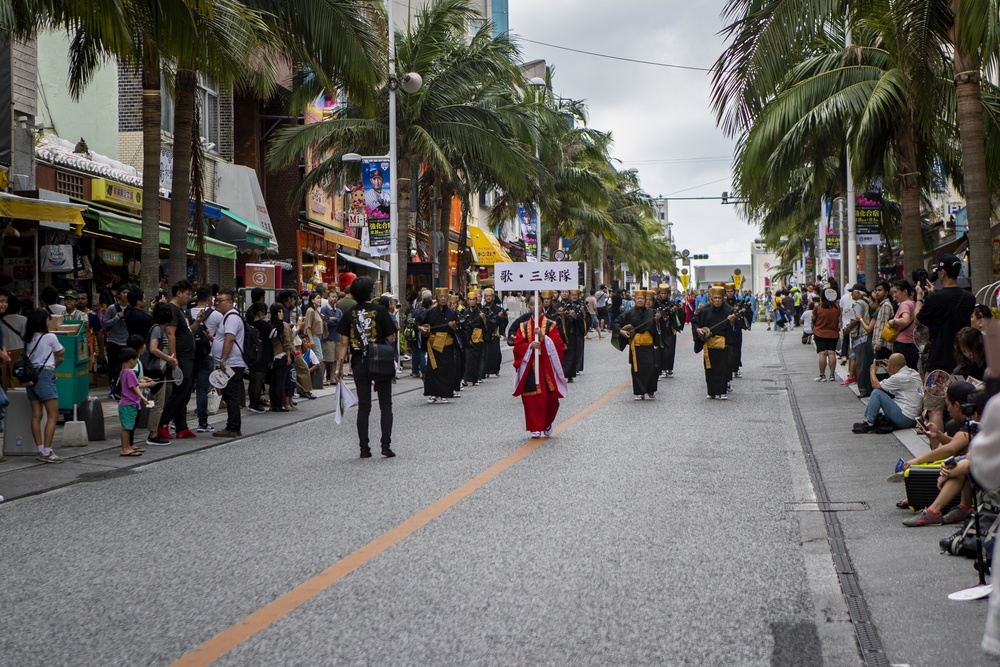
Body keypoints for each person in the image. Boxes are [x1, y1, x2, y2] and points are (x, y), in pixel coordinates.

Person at [916, 253, 977, 435]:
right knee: (962, 410)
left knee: (935, 410)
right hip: (961, 364)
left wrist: (920, 298)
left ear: (942, 272)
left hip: (938, 364)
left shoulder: (934, 299)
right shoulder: (969, 298)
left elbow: (918, 320)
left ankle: (936, 454)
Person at [335, 277, 396, 458]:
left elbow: (344, 343)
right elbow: (391, 337)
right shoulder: (381, 311)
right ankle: (385, 446)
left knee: (364, 406)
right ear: (371, 292)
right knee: (385, 404)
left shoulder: (349, 313)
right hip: (380, 360)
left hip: (359, 361)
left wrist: (339, 368)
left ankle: (364, 448)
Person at [512, 295, 566, 438]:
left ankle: (547, 422)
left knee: (550, 399)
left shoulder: (550, 324)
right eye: (531, 304)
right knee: (531, 398)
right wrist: (529, 346)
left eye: (538, 304)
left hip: (546, 365)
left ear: (543, 305)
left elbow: (559, 345)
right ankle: (535, 427)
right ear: (528, 306)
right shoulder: (523, 326)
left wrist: (543, 337)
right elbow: (517, 347)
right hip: (530, 365)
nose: (535, 307)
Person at [157, 280, 198, 442]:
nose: (189, 298)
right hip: (181, 357)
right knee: (180, 391)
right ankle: (163, 423)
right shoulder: (173, 310)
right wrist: (173, 357)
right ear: (179, 293)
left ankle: (182, 426)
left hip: (188, 355)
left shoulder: (181, 311)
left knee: (184, 391)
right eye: (187, 294)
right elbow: (170, 333)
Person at [22, 308, 65, 463]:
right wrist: (55, 363)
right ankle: (47, 451)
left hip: (31, 377)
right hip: (45, 375)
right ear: (43, 321)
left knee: (36, 415)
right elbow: (61, 351)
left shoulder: (27, 338)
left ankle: (40, 449)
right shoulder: (50, 336)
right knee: (53, 415)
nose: (49, 321)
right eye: (48, 319)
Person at [851, 353, 922, 433]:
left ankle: (869, 423)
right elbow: (896, 382)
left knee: (877, 393)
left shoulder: (900, 377)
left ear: (893, 366)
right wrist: (891, 370)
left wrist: (872, 371)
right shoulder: (913, 373)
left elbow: (876, 385)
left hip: (905, 418)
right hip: (913, 419)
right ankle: (871, 421)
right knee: (878, 409)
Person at [613, 289, 662, 400]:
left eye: (642, 299)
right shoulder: (629, 313)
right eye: (638, 298)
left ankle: (650, 390)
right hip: (636, 345)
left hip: (649, 344)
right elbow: (616, 323)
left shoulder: (652, 313)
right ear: (635, 300)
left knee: (653, 367)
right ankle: (639, 392)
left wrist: (658, 321)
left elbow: (658, 327)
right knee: (637, 369)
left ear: (646, 300)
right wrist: (621, 331)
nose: (640, 300)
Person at [212, 287, 246, 438]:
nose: (217, 304)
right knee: (229, 394)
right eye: (216, 300)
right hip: (230, 362)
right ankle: (232, 425)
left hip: (231, 363)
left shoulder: (231, 317)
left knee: (230, 395)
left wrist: (223, 359)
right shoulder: (228, 317)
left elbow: (230, 339)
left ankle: (233, 427)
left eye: (221, 301)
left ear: (230, 302)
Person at [417, 287, 459, 403]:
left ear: (448, 299)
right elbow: (417, 323)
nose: (443, 299)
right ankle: (433, 394)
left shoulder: (452, 313)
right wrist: (421, 328)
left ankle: (445, 394)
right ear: (437, 298)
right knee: (432, 370)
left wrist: (454, 327)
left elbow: (459, 329)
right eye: (441, 297)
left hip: (447, 345)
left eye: (445, 297)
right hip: (434, 345)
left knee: (446, 370)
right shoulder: (429, 312)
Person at [189, 286, 222, 432]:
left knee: (184, 390)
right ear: (210, 298)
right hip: (206, 355)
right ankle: (202, 423)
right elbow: (223, 334)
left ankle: (176, 421)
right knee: (202, 390)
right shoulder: (216, 315)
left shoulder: (187, 312)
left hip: (189, 356)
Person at [692, 286, 733, 399]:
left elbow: (734, 328)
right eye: (715, 298)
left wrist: (733, 322)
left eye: (719, 298)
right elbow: (694, 321)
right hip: (709, 343)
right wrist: (698, 330)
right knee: (709, 368)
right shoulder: (704, 310)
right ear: (711, 298)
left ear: (723, 298)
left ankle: (722, 391)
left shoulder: (729, 310)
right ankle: (711, 391)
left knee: (723, 368)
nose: (717, 300)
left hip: (722, 344)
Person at [144, 303, 175, 446]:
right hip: (155, 370)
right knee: (158, 404)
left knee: (158, 402)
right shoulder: (157, 329)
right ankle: (153, 434)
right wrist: (168, 358)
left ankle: (154, 433)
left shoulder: (158, 329)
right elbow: (153, 349)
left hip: (158, 369)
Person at [117, 347, 151, 457]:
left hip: (127, 403)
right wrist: (143, 398)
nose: (136, 363)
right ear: (131, 360)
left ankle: (128, 447)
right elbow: (135, 387)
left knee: (128, 427)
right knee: (127, 428)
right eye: (136, 360)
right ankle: (125, 448)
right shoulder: (130, 372)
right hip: (129, 403)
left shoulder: (123, 371)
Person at [103, 285, 131, 398]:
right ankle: (113, 387)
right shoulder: (112, 308)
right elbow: (105, 323)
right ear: (119, 294)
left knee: (124, 366)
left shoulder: (131, 308)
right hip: (113, 341)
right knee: (113, 366)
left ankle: (123, 387)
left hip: (126, 341)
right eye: (123, 292)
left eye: (127, 292)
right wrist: (116, 318)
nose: (126, 295)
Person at [247, 302, 273, 413]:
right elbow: (274, 334)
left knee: (252, 379)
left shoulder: (249, 323)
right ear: (260, 312)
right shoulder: (263, 324)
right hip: (263, 353)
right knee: (258, 379)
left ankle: (252, 402)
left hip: (252, 353)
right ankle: (255, 403)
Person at [812, 288, 842, 382]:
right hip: (833, 333)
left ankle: (822, 375)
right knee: (831, 353)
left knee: (822, 353)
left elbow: (813, 319)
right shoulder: (837, 308)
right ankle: (832, 375)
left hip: (820, 332)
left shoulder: (818, 307)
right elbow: (839, 321)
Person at [269, 303, 294, 412]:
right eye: (281, 311)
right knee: (280, 381)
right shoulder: (283, 325)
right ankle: (278, 405)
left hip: (272, 356)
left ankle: (273, 403)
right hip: (282, 354)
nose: (283, 313)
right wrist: (289, 356)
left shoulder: (269, 324)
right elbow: (287, 342)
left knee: (273, 381)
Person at [320, 291, 342, 386]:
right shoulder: (324, 309)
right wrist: (334, 320)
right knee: (325, 358)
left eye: (336, 297)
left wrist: (334, 319)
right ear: (328, 298)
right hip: (328, 337)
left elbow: (341, 321)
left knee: (335, 359)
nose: (334, 299)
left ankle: (333, 377)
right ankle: (322, 378)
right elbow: (326, 322)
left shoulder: (339, 310)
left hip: (337, 336)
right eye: (332, 297)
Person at [484, 288, 507, 377]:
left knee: (495, 352)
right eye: (486, 296)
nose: (488, 298)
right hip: (486, 333)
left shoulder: (498, 309)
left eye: (490, 296)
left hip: (495, 333)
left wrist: (501, 318)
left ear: (493, 297)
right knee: (486, 352)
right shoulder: (482, 309)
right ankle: (486, 370)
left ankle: (495, 369)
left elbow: (505, 321)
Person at [871, 281, 895, 361]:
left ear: (886, 292)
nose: (877, 292)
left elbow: (884, 325)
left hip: (883, 345)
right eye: (876, 290)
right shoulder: (882, 305)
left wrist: (879, 342)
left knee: (881, 370)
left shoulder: (886, 305)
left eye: (880, 290)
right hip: (881, 345)